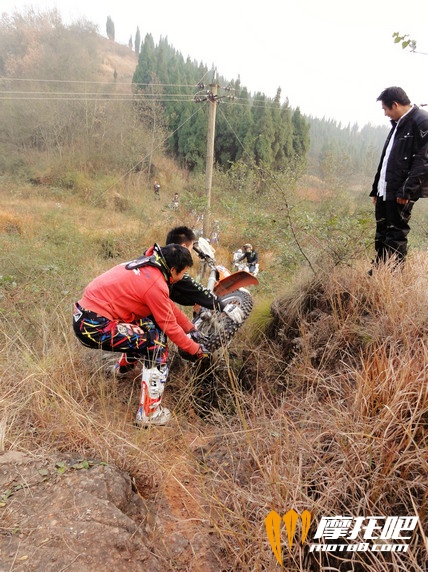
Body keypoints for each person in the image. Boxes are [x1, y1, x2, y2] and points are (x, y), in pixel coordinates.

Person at [73, 243, 209, 426]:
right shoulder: (155, 283)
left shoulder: (147, 266)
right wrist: (195, 349)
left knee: (148, 325)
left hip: (87, 317)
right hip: (93, 326)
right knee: (155, 345)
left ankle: (122, 370)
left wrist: (190, 329)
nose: (183, 277)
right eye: (182, 273)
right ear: (174, 270)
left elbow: (166, 307)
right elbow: (169, 325)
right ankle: (149, 414)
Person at [369, 87, 428, 269]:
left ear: (395, 105)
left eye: (386, 109)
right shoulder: (398, 125)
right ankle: (380, 271)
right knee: (382, 233)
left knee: (396, 234)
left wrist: (407, 190)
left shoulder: (422, 122)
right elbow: (386, 159)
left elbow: (424, 160)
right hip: (385, 190)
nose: (385, 114)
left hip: (401, 191)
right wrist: (376, 189)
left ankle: (393, 276)